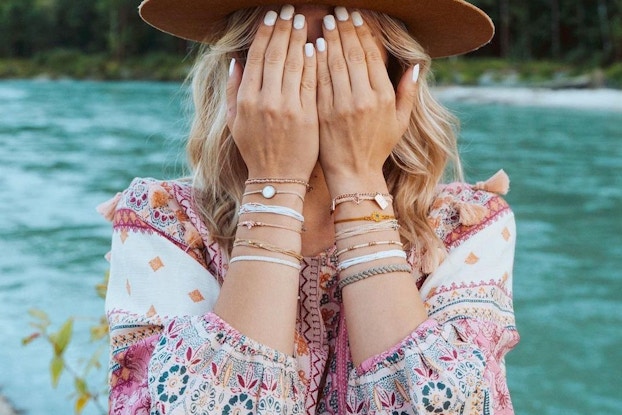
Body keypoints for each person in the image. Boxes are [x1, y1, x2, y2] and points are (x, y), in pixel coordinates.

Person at [98, 0, 520, 413]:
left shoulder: (464, 226)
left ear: (398, 83)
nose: (308, 86)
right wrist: (274, 186)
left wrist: (358, 179)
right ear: (237, 77)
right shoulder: (163, 220)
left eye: (346, 62)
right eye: (282, 59)